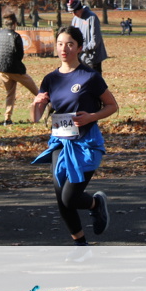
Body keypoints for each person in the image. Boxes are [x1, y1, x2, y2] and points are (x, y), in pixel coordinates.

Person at [31, 26, 118, 248]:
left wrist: (91, 117)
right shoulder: (50, 79)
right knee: (61, 198)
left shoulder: (90, 77)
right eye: (60, 44)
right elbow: (36, 117)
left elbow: (112, 106)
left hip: (86, 143)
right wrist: (36, 104)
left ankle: (96, 204)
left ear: (79, 48)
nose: (64, 49)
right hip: (60, 142)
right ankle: (80, 244)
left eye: (70, 44)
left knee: (70, 197)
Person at [0, 13, 39, 125]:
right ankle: (53, 106)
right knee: (36, 91)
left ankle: (7, 118)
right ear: (14, 24)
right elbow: (19, 54)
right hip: (14, 68)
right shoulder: (16, 36)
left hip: (0, 68)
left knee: (10, 94)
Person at [67, 0, 107, 73]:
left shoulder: (92, 17)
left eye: (74, 12)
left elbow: (95, 40)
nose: (73, 14)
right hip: (80, 56)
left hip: (92, 57)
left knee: (94, 78)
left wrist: (83, 49)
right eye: (71, 12)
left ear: (80, 9)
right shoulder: (75, 19)